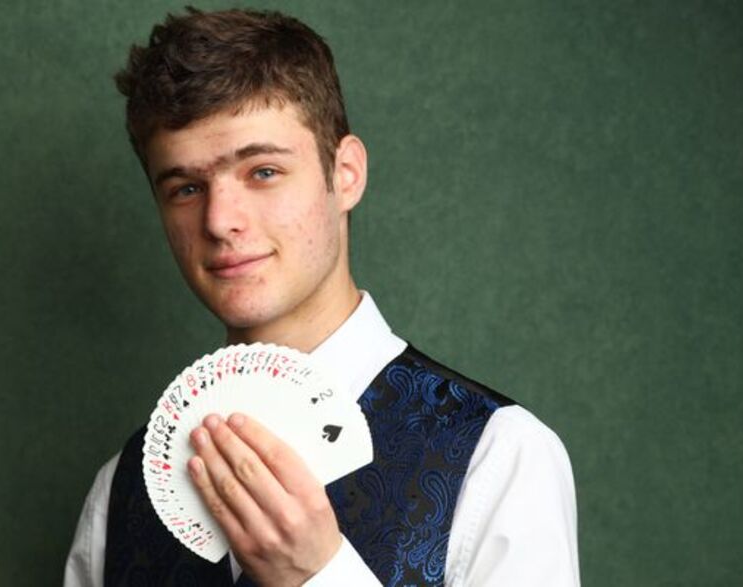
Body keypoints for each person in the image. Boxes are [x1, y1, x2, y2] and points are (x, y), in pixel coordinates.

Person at [64, 7, 579, 587]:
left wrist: (318, 574)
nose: (220, 220)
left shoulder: (500, 456)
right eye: (186, 188)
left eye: (262, 172)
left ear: (347, 173)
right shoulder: (121, 493)